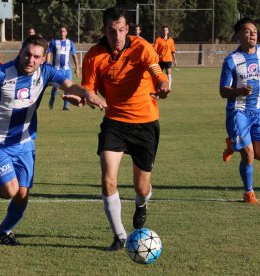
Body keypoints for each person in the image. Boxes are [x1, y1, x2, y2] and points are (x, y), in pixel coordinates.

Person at [0, 35, 106, 245]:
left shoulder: (46, 72)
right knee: (9, 190)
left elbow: (70, 86)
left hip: (25, 142)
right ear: (20, 52)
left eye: (36, 56)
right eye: (27, 54)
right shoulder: (0, 73)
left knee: (22, 194)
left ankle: (4, 230)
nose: (30, 60)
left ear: (43, 59)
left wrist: (87, 94)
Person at [81, 7, 170, 251]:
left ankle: (141, 204)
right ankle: (119, 236)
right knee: (108, 179)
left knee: (142, 188)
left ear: (127, 29)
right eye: (112, 31)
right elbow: (87, 87)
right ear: (104, 31)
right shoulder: (93, 56)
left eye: (121, 30)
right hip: (114, 123)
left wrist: (162, 83)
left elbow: (155, 70)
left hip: (145, 123)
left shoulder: (141, 47)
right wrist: (87, 96)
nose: (117, 35)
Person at [219, 17, 260, 205]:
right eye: (247, 31)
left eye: (255, 32)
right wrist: (239, 91)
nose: (252, 35)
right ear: (238, 35)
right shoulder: (231, 61)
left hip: (258, 112)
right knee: (249, 154)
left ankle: (233, 143)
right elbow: (222, 91)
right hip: (238, 113)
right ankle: (248, 193)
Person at [47, 25, 79, 110]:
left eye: (64, 31)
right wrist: (47, 64)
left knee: (68, 87)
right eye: (61, 31)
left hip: (67, 69)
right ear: (58, 32)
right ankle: (52, 99)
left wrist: (77, 68)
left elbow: (74, 55)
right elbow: (49, 53)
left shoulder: (70, 43)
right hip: (56, 69)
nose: (62, 33)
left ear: (66, 33)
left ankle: (66, 106)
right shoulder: (54, 42)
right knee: (55, 87)